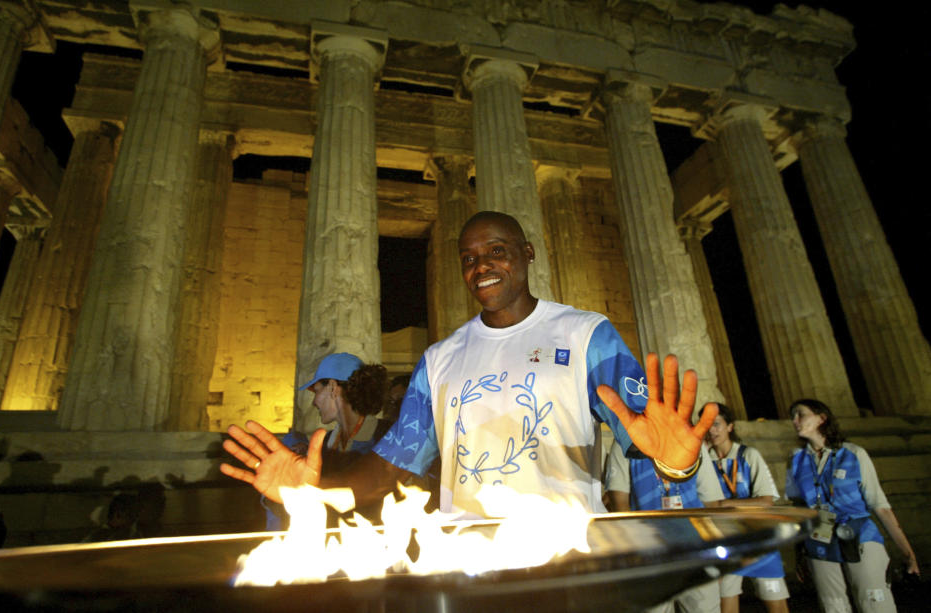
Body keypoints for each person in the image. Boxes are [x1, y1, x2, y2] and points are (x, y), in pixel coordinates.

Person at [221, 210, 717, 518]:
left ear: (527, 254)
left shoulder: (586, 335)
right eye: (468, 258)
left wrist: (679, 460)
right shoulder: (439, 359)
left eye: (496, 251)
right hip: (468, 563)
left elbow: (655, 444)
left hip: (566, 559)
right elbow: (391, 467)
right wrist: (316, 491)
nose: (481, 267)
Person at [785, 399, 919, 613]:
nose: (794, 420)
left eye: (800, 414)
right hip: (819, 536)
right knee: (833, 606)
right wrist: (799, 553)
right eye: (793, 416)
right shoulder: (795, 460)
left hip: (859, 533)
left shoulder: (853, 453)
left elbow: (879, 505)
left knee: (874, 601)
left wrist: (908, 553)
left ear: (822, 418)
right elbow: (798, 507)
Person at [264, 352, 388, 529]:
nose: (314, 402)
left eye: (316, 391)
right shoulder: (325, 444)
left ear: (332, 387)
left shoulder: (386, 437)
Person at [605, 435, 724, 613]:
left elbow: (711, 504)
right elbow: (619, 505)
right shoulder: (625, 442)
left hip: (696, 553)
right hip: (650, 557)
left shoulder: (692, 441)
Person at [703, 403, 790, 613]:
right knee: (726, 600)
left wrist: (723, 504)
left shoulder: (749, 455)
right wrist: (702, 455)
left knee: (775, 599)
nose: (711, 430)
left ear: (730, 426)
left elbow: (766, 500)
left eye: (717, 424)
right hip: (724, 539)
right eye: (707, 425)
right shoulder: (705, 460)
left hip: (756, 536)